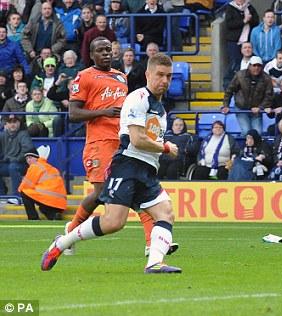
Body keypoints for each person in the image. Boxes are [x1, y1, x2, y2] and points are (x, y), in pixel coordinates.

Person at [42, 53, 183, 274]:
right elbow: (137, 140)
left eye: (169, 76)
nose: (164, 81)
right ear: (148, 74)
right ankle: (61, 243)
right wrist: (165, 147)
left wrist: (160, 148)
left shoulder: (160, 108)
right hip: (127, 166)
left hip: (146, 170)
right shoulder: (139, 98)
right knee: (113, 222)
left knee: (165, 212)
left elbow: (149, 139)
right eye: (160, 75)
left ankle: (155, 263)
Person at [64, 37, 173, 257]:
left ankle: (152, 243)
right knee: (101, 192)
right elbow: (73, 114)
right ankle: (70, 230)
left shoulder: (121, 77)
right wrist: (102, 112)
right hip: (99, 143)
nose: (106, 53)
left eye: (109, 50)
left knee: (136, 191)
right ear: (92, 55)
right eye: (100, 50)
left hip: (122, 142)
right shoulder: (84, 77)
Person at [222, 56, 274, 136]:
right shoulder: (239, 75)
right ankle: (244, 147)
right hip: (241, 108)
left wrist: (260, 107)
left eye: (259, 66)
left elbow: (269, 95)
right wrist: (226, 105)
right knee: (246, 131)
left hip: (257, 109)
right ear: (249, 66)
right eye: (254, 65)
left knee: (257, 133)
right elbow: (229, 90)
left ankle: (255, 148)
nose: (256, 68)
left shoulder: (266, 78)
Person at [19, 146, 67, 220]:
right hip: (60, 203)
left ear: (37, 158)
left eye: (30, 157)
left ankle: (33, 218)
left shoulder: (35, 166)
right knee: (43, 208)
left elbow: (26, 185)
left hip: (48, 200)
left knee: (24, 192)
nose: (28, 160)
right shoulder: (52, 168)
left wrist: (19, 190)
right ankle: (54, 215)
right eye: (27, 158)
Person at [0, 116, 33, 196]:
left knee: (13, 167)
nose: (12, 124)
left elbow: (28, 149)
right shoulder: (2, 135)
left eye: (15, 122)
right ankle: (2, 193)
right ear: (6, 124)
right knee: (10, 166)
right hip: (7, 164)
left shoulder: (24, 134)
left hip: (22, 164)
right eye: (10, 122)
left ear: (19, 123)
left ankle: (17, 195)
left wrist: (16, 159)